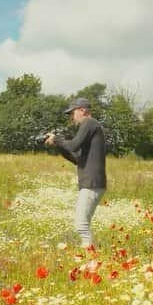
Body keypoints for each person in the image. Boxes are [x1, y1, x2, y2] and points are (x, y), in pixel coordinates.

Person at [45, 97, 107, 249]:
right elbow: (77, 158)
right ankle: (92, 256)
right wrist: (58, 145)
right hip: (92, 182)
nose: (71, 117)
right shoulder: (92, 127)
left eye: (72, 113)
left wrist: (58, 139)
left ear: (82, 110)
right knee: (83, 223)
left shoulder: (89, 123)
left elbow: (73, 145)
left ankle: (91, 258)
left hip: (91, 183)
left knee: (81, 225)